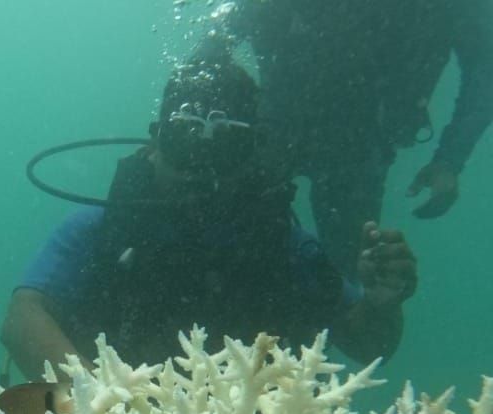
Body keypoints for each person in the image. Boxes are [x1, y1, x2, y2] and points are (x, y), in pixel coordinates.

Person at [0, 62, 417, 380]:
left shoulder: (284, 247)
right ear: (155, 142)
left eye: (226, 145)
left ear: (251, 154)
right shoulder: (99, 231)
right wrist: (105, 408)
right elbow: (22, 318)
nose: (199, 166)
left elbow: (370, 346)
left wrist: (381, 303)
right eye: (183, 140)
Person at [193, 0, 493, 275]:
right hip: (300, 132)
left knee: (348, 278)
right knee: (226, 253)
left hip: (349, 143)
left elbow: (484, 68)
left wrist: (450, 159)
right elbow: (220, 36)